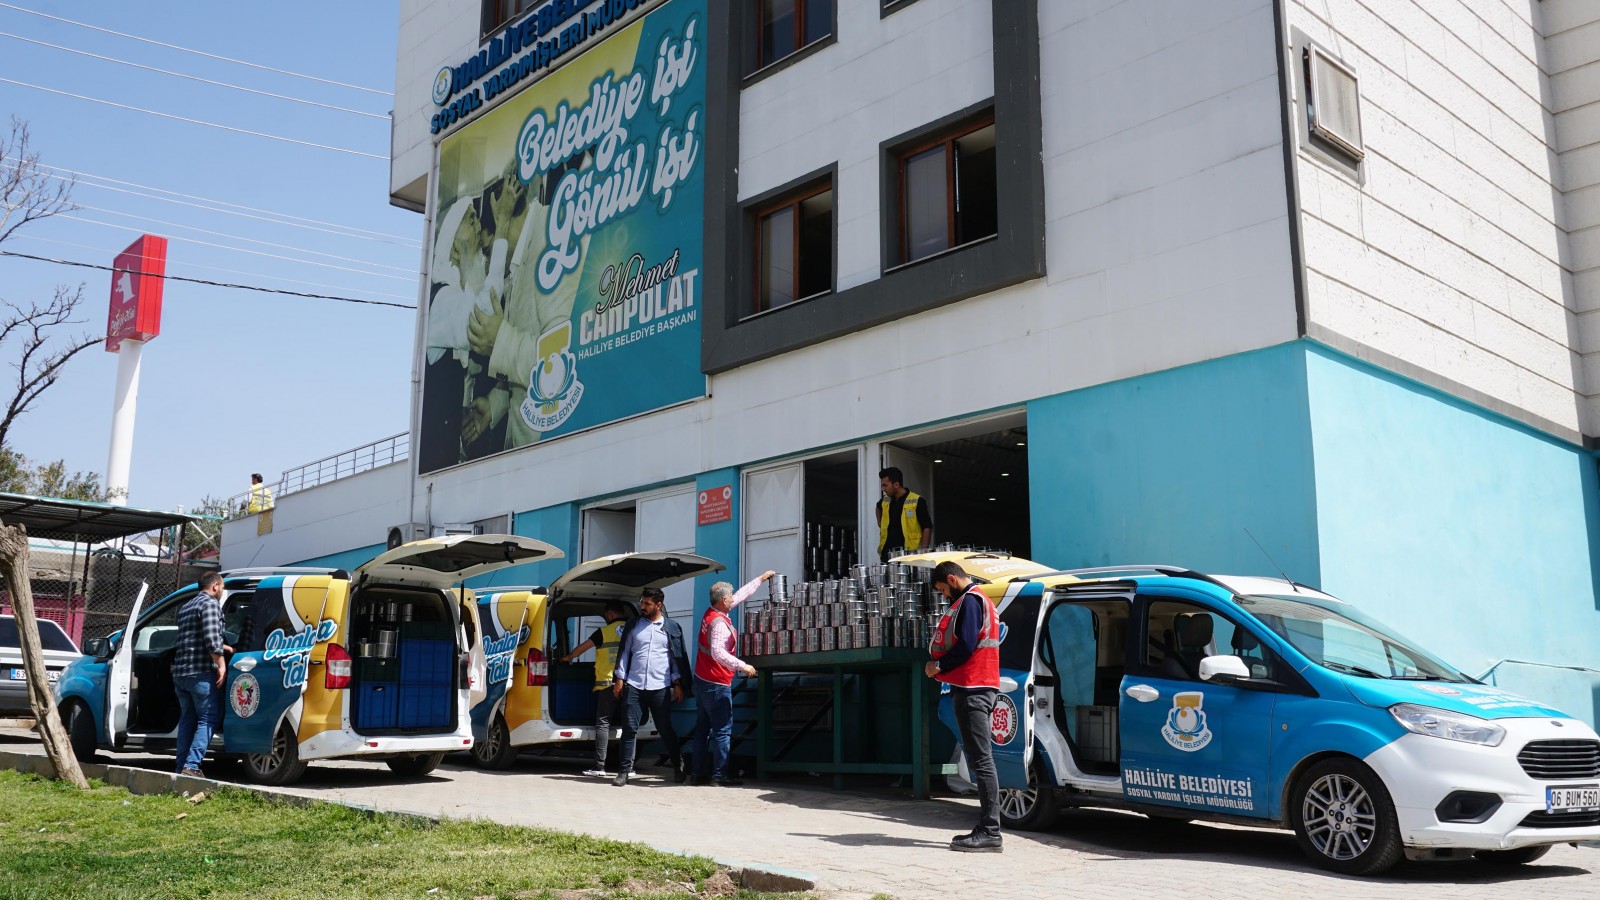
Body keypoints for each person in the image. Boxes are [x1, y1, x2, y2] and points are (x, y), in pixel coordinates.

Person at [925, 561, 1002, 852]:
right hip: (983, 685)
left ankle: (990, 830)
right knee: (982, 759)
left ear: (951, 579)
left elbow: (967, 644)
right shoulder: (984, 601)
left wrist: (938, 666)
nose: (945, 596)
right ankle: (988, 828)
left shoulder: (970, 601)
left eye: (944, 590)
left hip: (973, 688)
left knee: (981, 760)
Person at [691, 570, 775, 786]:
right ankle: (719, 776)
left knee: (701, 729)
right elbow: (718, 653)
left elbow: (740, 595)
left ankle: (696, 774)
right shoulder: (719, 623)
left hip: (701, 679)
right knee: (722, 730)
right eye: (729, 597)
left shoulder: (713, 612)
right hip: (716, 682)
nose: (733, 599)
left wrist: (761, 579)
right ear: (722, 600)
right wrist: (743, 666)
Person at [610, 588, 685, 786]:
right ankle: (624, 771)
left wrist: (677, 684)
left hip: (660, 686)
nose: (642, 607)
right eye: (642, 603)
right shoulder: (633, 626)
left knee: (665, 728)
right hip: (634, 684)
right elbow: (624, 653)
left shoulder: (672, 627)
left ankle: (679, 766)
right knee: (629, 728)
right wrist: (619, 678)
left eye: (647, 604)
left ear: (658, 605)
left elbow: (675, 659)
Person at [559, 601, 630, 777]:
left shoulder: (603, 632)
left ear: (610, 615)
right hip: (630, 684)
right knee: (630, 725)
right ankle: (628, 767)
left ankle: (600, 767)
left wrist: (568, 657)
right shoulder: (633, 629)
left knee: (603, 724)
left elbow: (583, 648)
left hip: (607, 683)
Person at [173, 571, 230, 777]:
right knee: (208, 718)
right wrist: (222, 664)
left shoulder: (187, 607)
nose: (222, 592)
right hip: (200, 674)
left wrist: (227, 647)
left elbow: (194, 636)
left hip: (181, 673)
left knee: (187, 719)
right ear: (215, 586)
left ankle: (181, 766)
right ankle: (192, 765)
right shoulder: (210, 605)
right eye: (222, 588)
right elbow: (212, 639)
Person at [877, 467, 932, 562]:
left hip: (909, 556)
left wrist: (923, 551)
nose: (882, 488)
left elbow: (927, 527)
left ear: (896, 484)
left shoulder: (917, 501)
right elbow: (878, 507)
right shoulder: (885, 500)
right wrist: (880, 524)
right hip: (887, 555)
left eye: (885, 485)